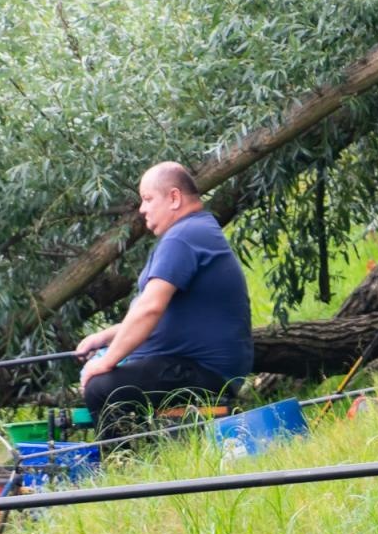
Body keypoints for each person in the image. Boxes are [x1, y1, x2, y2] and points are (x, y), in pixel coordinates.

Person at [77, 162, 253, 437]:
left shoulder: (184, 236)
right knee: (105, 380)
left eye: (148, 199)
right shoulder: (192, 231)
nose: (142, 209)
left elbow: (150, 309)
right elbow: (160, 311)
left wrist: (106, 361)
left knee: (105, 388)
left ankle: (124, 469)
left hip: (203, 371)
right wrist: (105, 337)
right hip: (190, 365)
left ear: (174, 197)